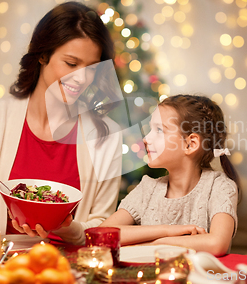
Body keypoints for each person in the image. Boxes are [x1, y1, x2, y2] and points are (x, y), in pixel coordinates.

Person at [0, 2, 122, 244]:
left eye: (91, 68)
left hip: (70, 272)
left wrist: (65, 227)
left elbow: (101, 227)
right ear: (43, 55)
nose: (82, 79)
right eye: (71, 64)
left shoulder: (107, 134)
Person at [100, 95, 239, 256]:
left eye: (159, 130)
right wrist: (168, 230)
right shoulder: (148, 188)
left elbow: (217, 243)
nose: (146, 138)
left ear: (190, 144)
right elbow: (103, 233)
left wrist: (156, 243)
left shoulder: (219, 187)